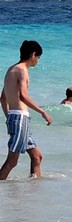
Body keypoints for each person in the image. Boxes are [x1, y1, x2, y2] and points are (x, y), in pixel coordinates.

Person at [2, 40, 51, 180]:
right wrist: (42, 112)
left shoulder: (11, 69)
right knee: (12, 161)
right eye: (38, 57)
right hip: (20, 119)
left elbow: (3, 98)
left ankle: (33, 190)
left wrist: (9, 118)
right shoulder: (22, 70)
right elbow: (23, 95)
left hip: (15, 118)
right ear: (33, 55)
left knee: (37, 157)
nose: (38, 61)